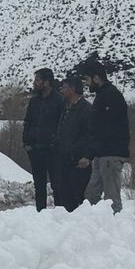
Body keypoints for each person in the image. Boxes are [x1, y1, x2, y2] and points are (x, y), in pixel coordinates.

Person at [81, 59, 130, 214]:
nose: (86, 84)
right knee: (91, 194)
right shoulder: (103, 95)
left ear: (96, 78)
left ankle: (115, 224)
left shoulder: (111, 96)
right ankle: (93, 222)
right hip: (101, 154)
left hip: (111, 153)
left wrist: (92, 151)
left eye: (87, 80)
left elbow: (106, 128)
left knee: (112, 198)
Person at [22, 68, 64, 211]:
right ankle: (40, 214)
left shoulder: (59, 101)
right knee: (39, 185)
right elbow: (28, 122)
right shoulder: (34, 101)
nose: (34, 83)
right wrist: (26, 143)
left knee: (57, 184)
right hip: (35, 150)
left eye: (38, 80)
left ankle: (59, 214)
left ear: (47, 82)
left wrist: (56, 144)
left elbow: (63, 124)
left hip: (53, 151)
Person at [52, 77, 92, 212]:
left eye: (64, 87)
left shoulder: (86, 110)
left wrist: (85, 155)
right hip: (63, 159)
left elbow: (90, 135)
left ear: (72, 89)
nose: (61, 90)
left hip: (78, 162)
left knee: (76, 198)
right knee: (63, 197)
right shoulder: (66, 108)